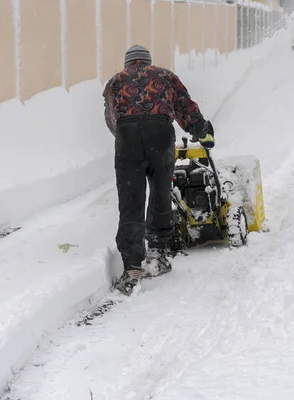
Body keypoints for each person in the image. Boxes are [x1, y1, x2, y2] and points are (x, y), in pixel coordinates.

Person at [103, 45, 215, 296]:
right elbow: (186, 108)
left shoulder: (115, 82)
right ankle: (157, 254)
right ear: (148, 61)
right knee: (160, 193)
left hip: (127, 138)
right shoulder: (165, 75)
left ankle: (132, 266)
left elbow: (111, 118)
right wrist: (202, 131)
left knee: (130, 200)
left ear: (127, 63)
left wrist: (126, 137)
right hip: (161, 135)